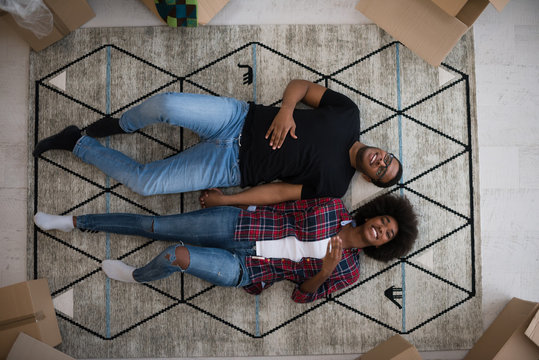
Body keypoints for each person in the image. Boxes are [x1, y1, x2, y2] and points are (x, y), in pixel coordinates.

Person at [33, 79, 402, 206]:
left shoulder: (336, 187)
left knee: (145, 184)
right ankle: (124, 125)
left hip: (231, 167)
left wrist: (230, 198)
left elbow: (277, 194)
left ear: (371, 179)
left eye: (382, 171)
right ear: (384, 149)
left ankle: (76, 143)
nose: (381, 161)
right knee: (167, 104)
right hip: (239, 118)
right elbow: (301, 87)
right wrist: (287, 109)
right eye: (388, 157)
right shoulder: (348, 115)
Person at [34, 194, 418, 303]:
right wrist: (231, 203)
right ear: (375, 214)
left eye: (388, 235)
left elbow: (301, 298)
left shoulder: (350, 272)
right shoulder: (334, 207)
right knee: (157, 226)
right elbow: (283, 203)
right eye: (384, 222)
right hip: (239, 223)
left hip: (248, 269)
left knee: (176, 256)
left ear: (385, 246)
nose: (381, 230)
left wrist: (326, 270)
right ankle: (71, 222)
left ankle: (138, 276)